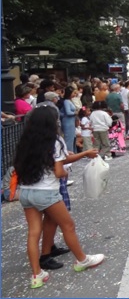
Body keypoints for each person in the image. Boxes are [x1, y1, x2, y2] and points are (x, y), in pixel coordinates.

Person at [13, 107, 104, 289]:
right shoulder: (54, 141)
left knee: (33, 233)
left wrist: (77, 157)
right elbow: (59, 171)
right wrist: (65, 172)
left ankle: (37, 275)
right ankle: (82, 260)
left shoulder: (26, 141)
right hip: (47, 192)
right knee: (68, 225)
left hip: (26, 191)